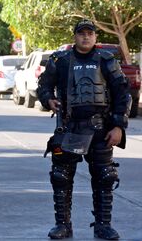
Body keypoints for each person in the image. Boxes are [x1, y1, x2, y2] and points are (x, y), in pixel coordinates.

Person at [37, 19, 131, 240]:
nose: (86, 37)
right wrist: (48, 99)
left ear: (95, 37)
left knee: (105, 176)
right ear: (75, 36)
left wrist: (118, 126)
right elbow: (43, 85)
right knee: (60, 176)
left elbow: (122, 94)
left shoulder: (107, 61)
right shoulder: (60, 61)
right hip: (70, 127)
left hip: (101, 129)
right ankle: (63, 225)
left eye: (90, 33)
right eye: (81, 33)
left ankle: (103, 226)